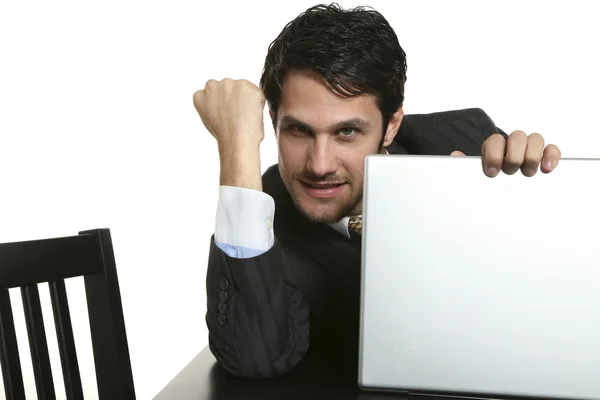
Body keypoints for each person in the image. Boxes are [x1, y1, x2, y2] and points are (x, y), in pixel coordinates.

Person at [193, 3, 561, 379]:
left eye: (347, 132)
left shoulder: (468, 142)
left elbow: (552, 299)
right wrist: (237, 142)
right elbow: (252, 355)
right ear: (274, 122)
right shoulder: (262, 229)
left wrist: (540, 202)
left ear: (390, 126)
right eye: (299, 130)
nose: (320, 165)